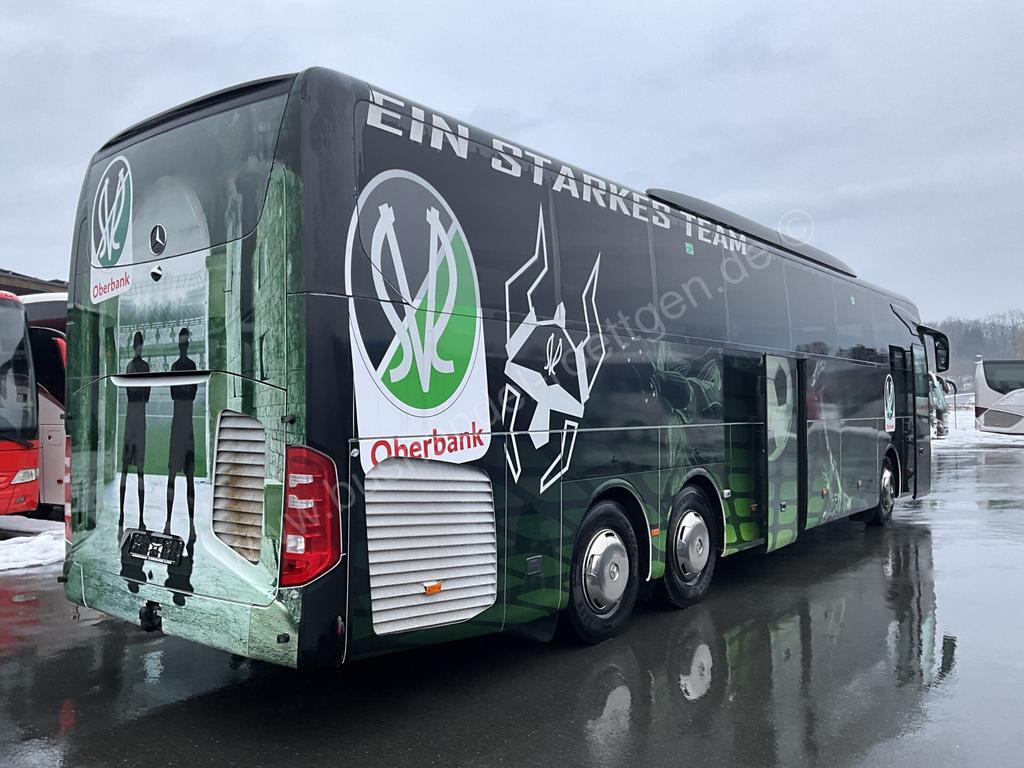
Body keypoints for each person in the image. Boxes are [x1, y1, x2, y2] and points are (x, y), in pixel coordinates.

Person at [165, 327, 197, 535]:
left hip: (181, 426)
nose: (183, 346)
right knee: (179, 477)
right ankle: (173, 521)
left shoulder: (180, 366)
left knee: (184, 477)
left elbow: (177, 394)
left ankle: (184, 522)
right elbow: (184, 394)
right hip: (182, 426)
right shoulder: (183, 366)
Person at [119, 331, 150, 532]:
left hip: (131, 419)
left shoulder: (130, 366)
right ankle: (139, 517)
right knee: (138, 472)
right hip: (138, 420)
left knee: (129, 471)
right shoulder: (143, 367)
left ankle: (125, 514)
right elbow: (146, 396)